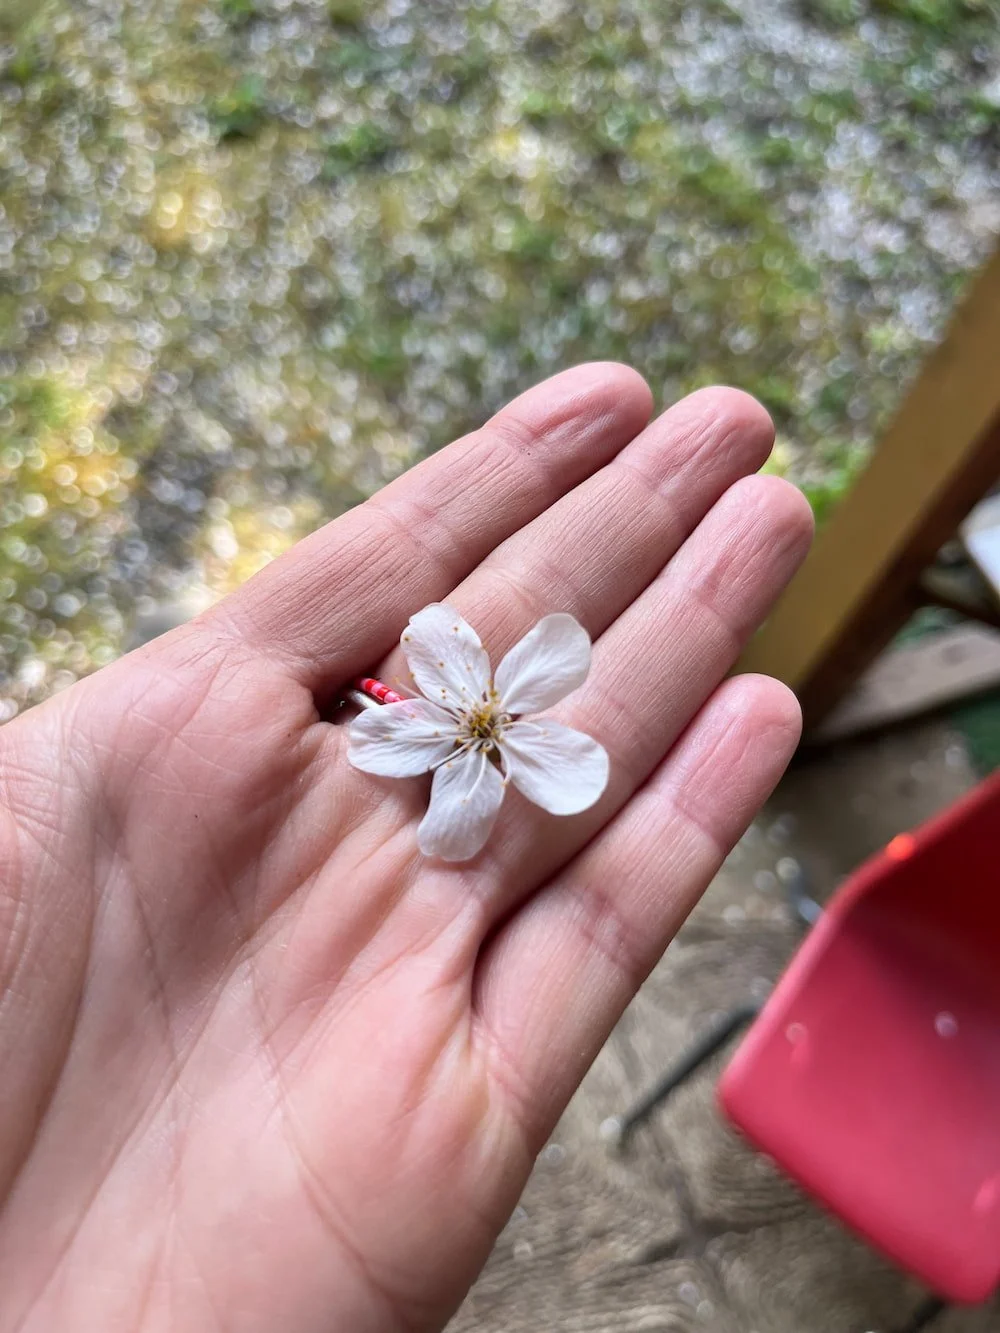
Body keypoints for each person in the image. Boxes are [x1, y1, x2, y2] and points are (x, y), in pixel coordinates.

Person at [0, 364, 812, 1331]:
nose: (478, 719)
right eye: (472, 715)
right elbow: (391, 716)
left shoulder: (508, 718)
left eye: (481, 718)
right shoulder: (443, 720)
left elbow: (472, 711)